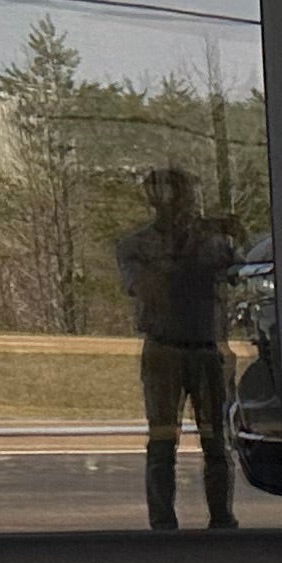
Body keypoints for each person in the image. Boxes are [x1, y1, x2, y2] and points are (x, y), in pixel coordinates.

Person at [115, 165, 241, 530]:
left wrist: (231, 235)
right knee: (161, 441)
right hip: (163, 348)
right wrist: (185, 256)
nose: (177, 207)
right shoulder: (136, 246)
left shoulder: (212, 244)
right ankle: (162, 522)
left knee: (216, 441)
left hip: (206, 346)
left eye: (181, 197)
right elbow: (147, 289)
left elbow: (243, 274)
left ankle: (221, 516)